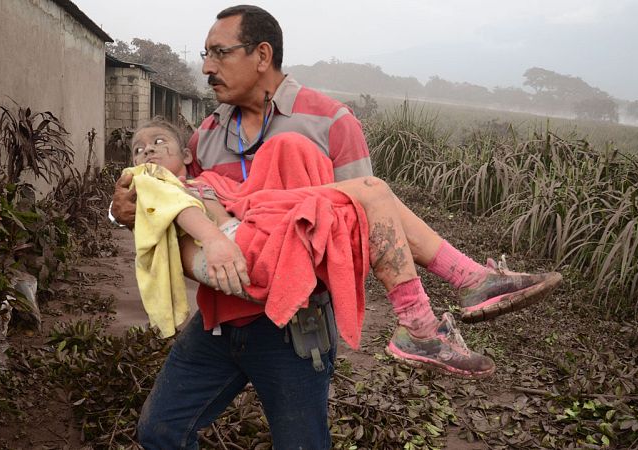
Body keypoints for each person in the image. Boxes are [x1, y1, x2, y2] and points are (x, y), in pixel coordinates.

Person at [109, 5, 560, 448]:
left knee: (302, 441)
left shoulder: (330, 121)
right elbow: (177, 205)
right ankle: (463, 287)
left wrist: (285, 249)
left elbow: (364, 234)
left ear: (262, 55)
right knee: (159, 431)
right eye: (206, 54)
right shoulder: (205, 133)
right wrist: (122, 212)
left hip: (295, 327)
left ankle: (456, 294)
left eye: (219, 52)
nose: (206, 66)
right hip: (219, 318)